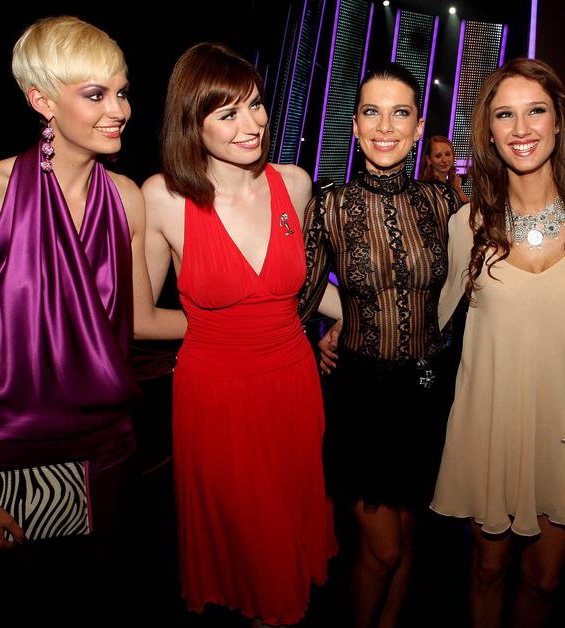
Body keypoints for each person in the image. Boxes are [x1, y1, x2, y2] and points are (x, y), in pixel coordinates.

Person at [0, 16, 185, 624]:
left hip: (109, 455)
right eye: (95, 95)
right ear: (42, 101)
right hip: (7, 458)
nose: (118, 110)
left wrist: (260, 321)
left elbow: (140, 320)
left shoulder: (125, 196)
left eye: (122, 92)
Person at [141, 43, 338, 626]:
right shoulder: (163, 197)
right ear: (192, 122)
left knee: (286, 548)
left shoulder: (294, 184)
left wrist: (356, 317)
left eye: (255, 104)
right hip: (217, 398)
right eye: (228, 113)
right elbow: (137, 318)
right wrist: (221, 328)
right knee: (257, 554)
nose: (252, 124)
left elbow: (297, 290)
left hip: (293, 387)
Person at [429, 58, 565, 627]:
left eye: (535, 111)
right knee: (487, 569)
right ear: (488, 132)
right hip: (492, 424)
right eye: (505, 115)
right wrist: (338, 320)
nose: (521, 129)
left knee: (544, 581)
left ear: (559, 120)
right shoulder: (466, 223)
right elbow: (423, 313)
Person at [299, 62, 461, 628]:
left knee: (410, 533)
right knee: (383, 547)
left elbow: (471, 294)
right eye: (372, 112)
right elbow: (299, 300)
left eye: (400, 114)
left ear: (417, 129)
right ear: (355, 125)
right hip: (361, 394)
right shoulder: (329, 205)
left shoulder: (444, 205)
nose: (385, 126)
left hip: (428, 391)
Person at [420, 135, 470, 204]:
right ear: (429, 159)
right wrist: (458, 191)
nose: (444, 160)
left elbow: (469, 209)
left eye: (447, 154)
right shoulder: (425, 189)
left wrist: (458, 189)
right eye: (438, 156)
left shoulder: (451, 185)